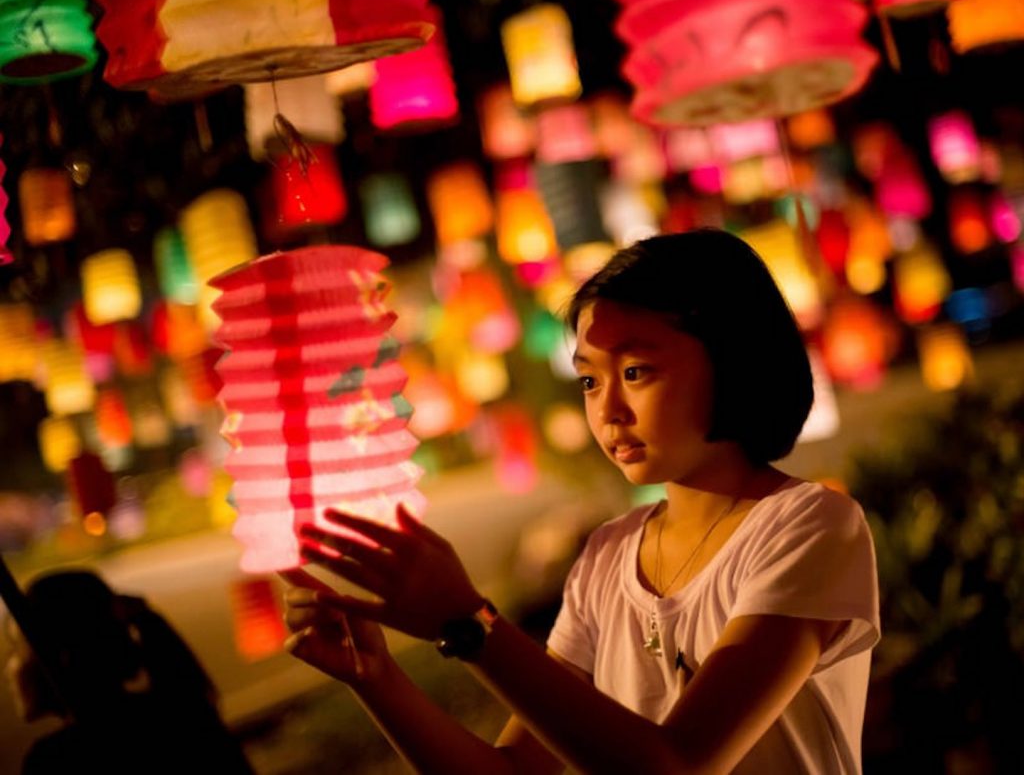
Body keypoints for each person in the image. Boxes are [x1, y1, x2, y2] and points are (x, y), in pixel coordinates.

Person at [284, 229, 880, 774]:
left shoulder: (810, 526)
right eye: (591, 380)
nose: (608, 409)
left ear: (733, 361)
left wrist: (470, 623)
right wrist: (378, 679)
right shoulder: (607, 556)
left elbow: (676, 766)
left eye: (638, 371)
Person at [3, 569, 254, 774]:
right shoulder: (183, 715)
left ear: (60, 657)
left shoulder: (56, 760)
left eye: (17, 651)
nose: (10, 666)